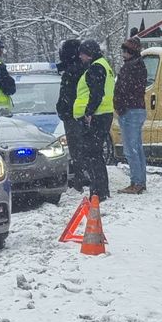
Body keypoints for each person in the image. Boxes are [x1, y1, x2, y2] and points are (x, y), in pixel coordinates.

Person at [73, 39, 115, 201]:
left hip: (97, 115)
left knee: (92, 154)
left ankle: (97, 191)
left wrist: (89, 113)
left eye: (82, 54)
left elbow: (96, 93)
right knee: (96, 153)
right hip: (104, 114)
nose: (81, 57)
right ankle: (101, 190)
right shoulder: (104, 65)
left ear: (89, 54)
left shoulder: (96, 67)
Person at [115, 36, 147, 194]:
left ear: (130, 51)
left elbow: (124, 89)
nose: (123, 54)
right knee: (137, 148)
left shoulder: (130, 67)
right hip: (138, 109)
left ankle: (137, 182)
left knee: (131, 149)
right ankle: (140, 180)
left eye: (125, 51)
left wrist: (120, 106)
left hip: (130, 111)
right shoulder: (139, 65)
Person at [56, 38, 87, 190]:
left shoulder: (71, 72)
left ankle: (80, 178)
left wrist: (61, 109)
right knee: (81, 147)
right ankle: (83, 175)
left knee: (76, 148)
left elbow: (66, 96)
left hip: (73, 115)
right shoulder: (82, 68)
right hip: (79, 113)